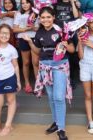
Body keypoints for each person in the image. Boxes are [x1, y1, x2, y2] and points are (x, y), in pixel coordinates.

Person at [23, 7, 75, 140]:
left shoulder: (61, 30)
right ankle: (57, 122)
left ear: (53, 17)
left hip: (60, 66)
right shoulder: (39, 32)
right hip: (45, 66)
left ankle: (61, 129)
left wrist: (65, 44)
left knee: (58, 97)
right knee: (51, 97)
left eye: (48, 17)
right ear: (39, 19)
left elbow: (72, 49)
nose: (45, 20)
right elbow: (37, 51)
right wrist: (29, 41)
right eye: (43, 17)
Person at [54, 0, 80, 89]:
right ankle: (62, 80)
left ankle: (71, 80)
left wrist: (72, 1)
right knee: (60, 56)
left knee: (72, 57)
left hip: (71, 33)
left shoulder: (74, 3)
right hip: (59, 33)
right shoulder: (55, 4)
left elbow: (76, 15)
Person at [13, 0, 39, 93]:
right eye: (22, 3)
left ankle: (38, 84)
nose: (25, 5)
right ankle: (27, 83)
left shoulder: (36, 13)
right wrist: (26, 29)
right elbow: (14, 29)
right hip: (23, 38)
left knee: (35, 62)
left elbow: (39, 28)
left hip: (34, 38)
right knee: (26, 62)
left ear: (31, 3)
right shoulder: (19, 14)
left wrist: (33, 28)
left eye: (27, 2)